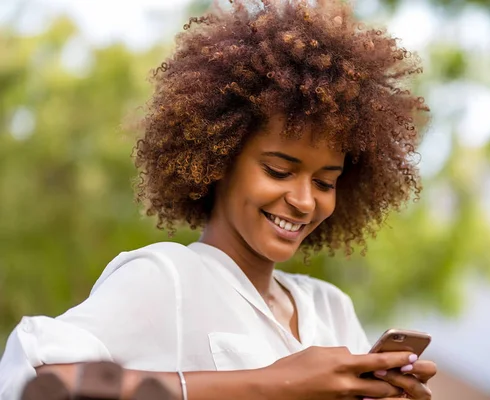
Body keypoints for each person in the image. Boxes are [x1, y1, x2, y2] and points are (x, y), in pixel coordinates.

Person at [0, 0, 436, 399]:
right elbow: (38, 379)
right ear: (218, 158)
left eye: (325, 182)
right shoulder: (167, 279)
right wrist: (272, 384)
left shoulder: (331, 309)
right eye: (278, 171)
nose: (304, 201)